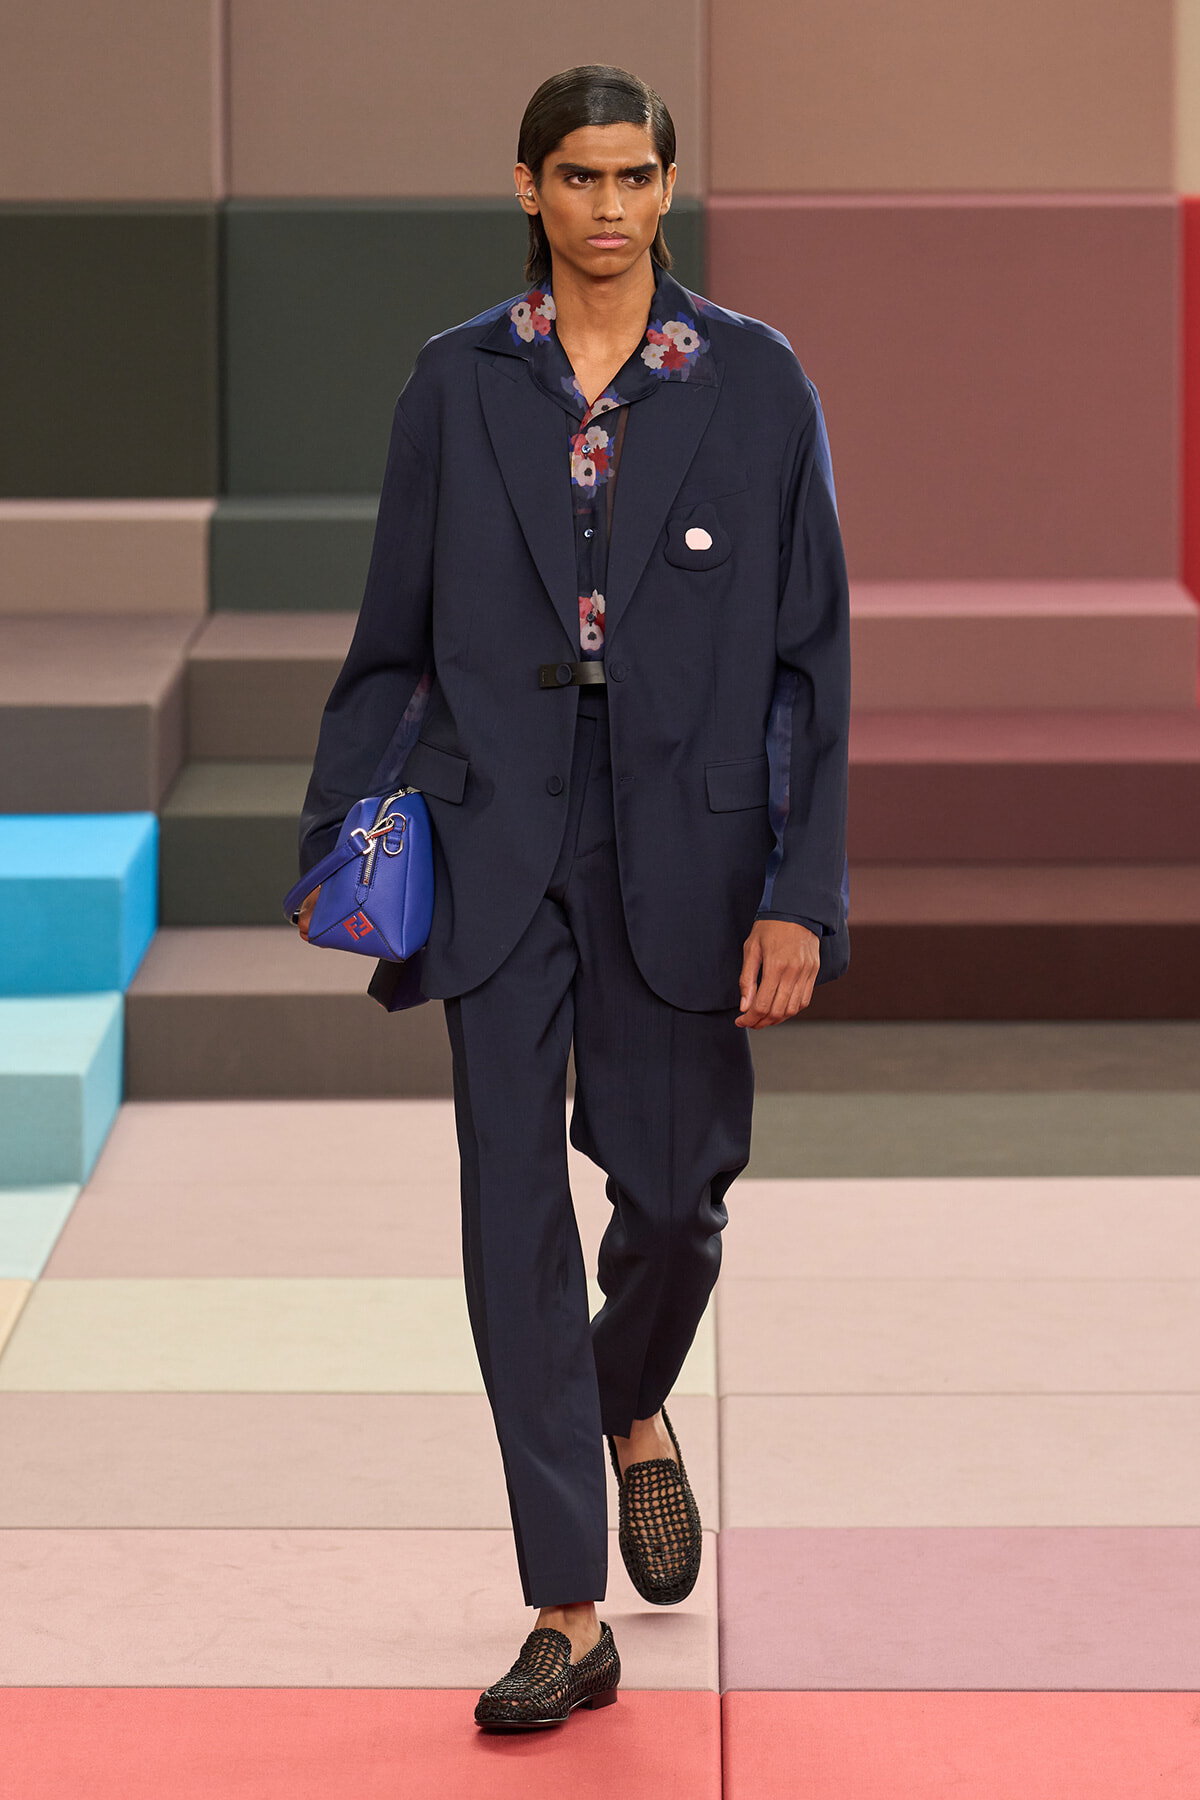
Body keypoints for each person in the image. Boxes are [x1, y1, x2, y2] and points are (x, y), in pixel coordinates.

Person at [293, 64, 850, 1731]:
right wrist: (344, 838)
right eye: (578, 179)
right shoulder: (455, 384)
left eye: (635, 178)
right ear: (527, 189)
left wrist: (799, 891)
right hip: (492, 829)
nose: (608, 208)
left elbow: (813, 656)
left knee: (676, 1202)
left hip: (686, 834)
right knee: (507, 1217)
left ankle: (627, 1410)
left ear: (667, 187)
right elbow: (389, 632)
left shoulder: (753, 384)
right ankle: (562, 1606)